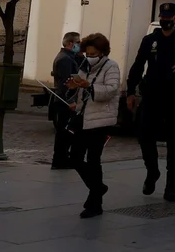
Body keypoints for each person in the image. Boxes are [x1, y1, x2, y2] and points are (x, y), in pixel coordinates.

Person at [126, 1, 175, 202]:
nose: (166, 21)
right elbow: (137, 66)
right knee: (145, 136)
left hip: (174, 97)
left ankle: (172, 185)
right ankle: (152, 171)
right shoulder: (150, 40)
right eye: (163, 17)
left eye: (169, 18)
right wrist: (130, 91)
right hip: (152, 95)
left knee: (173, 141)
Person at [63, 32, 122, 218]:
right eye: (88, 54)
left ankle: (95, 202)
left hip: (101, 119)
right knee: (75, 157)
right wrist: (74, 87)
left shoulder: (111, 66)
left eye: (94, 54)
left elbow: (111, 90)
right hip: (84, 116)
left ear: (103, 52)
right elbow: (80, 88)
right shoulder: (85, 66)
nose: (90, 57)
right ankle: (98, 188)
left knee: (94, 158)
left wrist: (88, 85)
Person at [49, 31, 82, 170]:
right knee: (64, 132)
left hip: (65, 100)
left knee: (67, 131)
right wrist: (70, 101)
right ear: (70, 43)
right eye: (78, 42)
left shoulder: (69, 57)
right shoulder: (65, 59)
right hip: (64, 101)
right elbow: (66, 82)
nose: (79, 45)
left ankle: (63, 158)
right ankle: (60, 159)